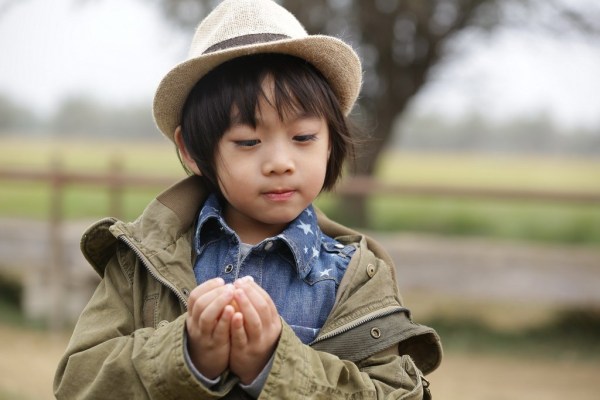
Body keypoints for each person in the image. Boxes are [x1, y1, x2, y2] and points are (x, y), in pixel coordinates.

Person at [54, 0, 442, 398]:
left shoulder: (357, 277)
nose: (279, 163)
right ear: (191, 149)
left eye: (304, 137)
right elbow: (78, 383)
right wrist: (186, 355)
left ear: (329, 141)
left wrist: (273, 364)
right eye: (248, 141)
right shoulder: (142, 261)